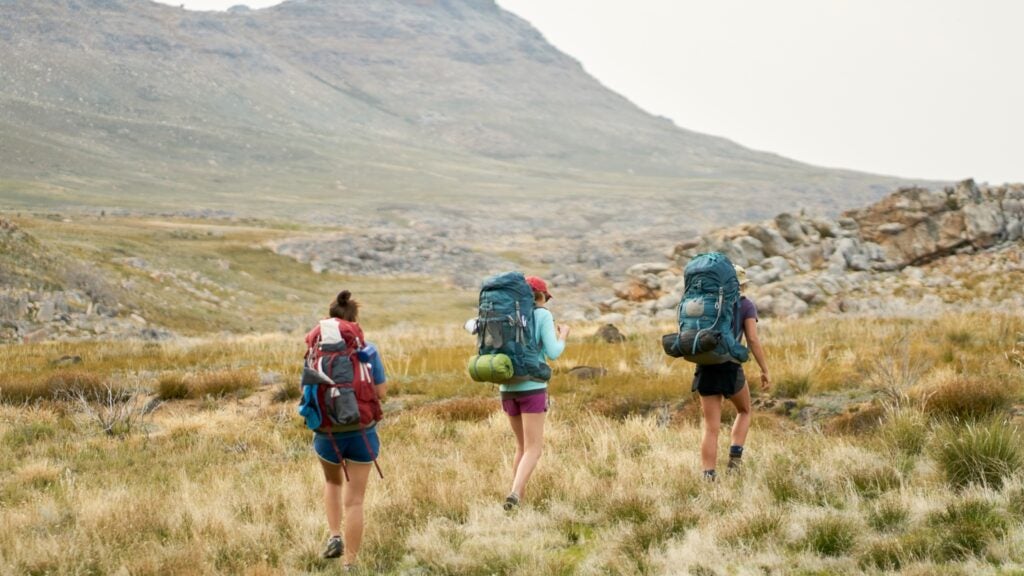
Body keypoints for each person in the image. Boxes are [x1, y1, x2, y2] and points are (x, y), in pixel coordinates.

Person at [304, 290, 387, 567]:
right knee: (355, 501)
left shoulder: (316, 350)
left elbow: (307, 389)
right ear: (354, 321)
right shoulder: (367, 349)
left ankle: (335, 534)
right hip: (362, 432)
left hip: (326, 433)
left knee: (332, 482)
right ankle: (350, 564)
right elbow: (381, 392)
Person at [692, 266, 770, 481]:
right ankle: (734, 462)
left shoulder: (706, 304)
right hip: (730, 367)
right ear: (741, 285)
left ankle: (708, 476)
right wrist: (764, 370)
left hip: (705, 367)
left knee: (711, 428)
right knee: (744, 410)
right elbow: (753, 339)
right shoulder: (745, 305)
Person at [501, 276, 569, 510]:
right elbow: (553, 352)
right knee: (534, 448)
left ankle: (518, 497)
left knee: (521, 447)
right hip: (533, 388)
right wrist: (563, 336)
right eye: (545, 298)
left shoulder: (507, 315)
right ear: (541, 296)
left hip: (506, 388)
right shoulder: (542, 315)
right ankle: (515, 494)